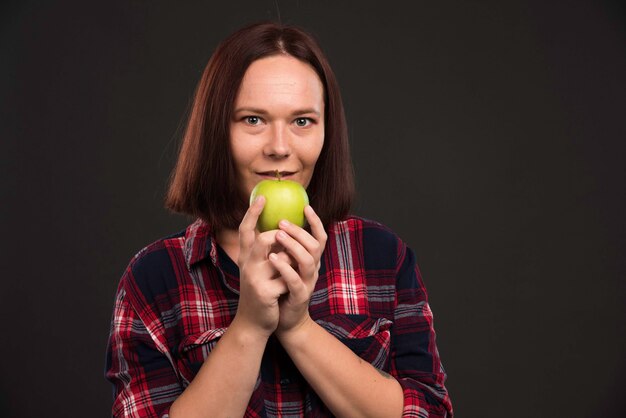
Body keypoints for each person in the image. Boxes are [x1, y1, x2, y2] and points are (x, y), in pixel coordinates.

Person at [105, 21, 453, 418]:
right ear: (217, 130)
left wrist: (298, 327)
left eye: (302, 121)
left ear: (327, 131)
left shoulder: (381, 257)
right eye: (253, 119)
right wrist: (250, 326)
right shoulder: (154, 279)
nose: (279, 148)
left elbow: (430, 411)